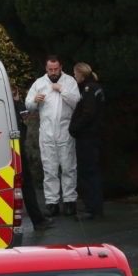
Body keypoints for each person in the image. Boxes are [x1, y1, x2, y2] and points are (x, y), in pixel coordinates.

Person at [25, 56, 80, 217]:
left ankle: (70, 200)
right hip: (47, 132)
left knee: (69, 167)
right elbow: (28, 105)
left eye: (56, 69)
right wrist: (35, 100)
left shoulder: (69, 81)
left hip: (65, 131)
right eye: (51, 69)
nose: (54, 72)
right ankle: (52, 202)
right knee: (50, 169)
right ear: (46, 68)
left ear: (61, 67)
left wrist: (62, 90)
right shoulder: (39, 83)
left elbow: (76, 101)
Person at [12, 85, 54, 231]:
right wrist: (17, 101)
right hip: (16, 149)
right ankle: (38, 220)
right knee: (27, 184)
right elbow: (24, 117)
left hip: (12, 149)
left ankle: (38, 219)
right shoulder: (10, 105)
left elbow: (24, 115)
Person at [69, 63, 105, 219]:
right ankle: (94, 207)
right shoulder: (95, 88)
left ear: (81, 73)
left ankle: (92, 208)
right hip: (92, 136)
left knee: (88, 172)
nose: (74, 76)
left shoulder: (89, 90)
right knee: (92, 172)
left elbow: (88, 113)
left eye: (75, 73)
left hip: (87, 137)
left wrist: (75, 127)